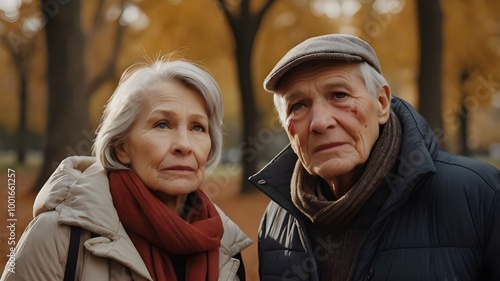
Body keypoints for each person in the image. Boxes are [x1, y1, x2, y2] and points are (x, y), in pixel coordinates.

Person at [249, 34, 500, 280]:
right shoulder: (276, 220)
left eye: (339, 95)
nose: (320, 122)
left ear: (381, 103)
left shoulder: (479, 195)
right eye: (298, 106)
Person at [1, 58, 252, 281]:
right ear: (121, 146)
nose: (184, 145)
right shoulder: (59, 237)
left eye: (198, 127)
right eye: (162, 124)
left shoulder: (227, 246)